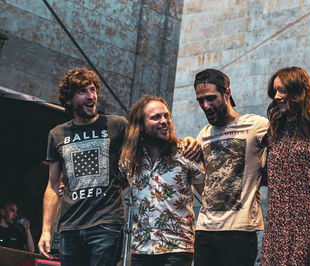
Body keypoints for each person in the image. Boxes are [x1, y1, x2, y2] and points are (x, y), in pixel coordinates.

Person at [38, 67, 127, 265]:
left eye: (93, 89)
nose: (91, 96)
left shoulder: (117, 125)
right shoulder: (57, 134)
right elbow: (53, 186)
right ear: (69, 100)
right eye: (83, 91)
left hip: (106, 225)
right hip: (70, 227)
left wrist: (117, 187)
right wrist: (46, 230)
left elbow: (142, 159)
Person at [193, 68, 268, 266]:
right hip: (204, 230)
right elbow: (200, 179)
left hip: (239, 232)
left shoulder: (255, 125)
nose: (206, 106)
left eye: (211, 98)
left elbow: (287, 144)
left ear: (227, 93)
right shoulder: (203, 134)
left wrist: (263, 177)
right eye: (200, 101)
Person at [119, 95, 205, 266]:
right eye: (156, 117)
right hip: (141, 249)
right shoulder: (129, 160)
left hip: (177, 248)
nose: (164, 121)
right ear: (141, 126)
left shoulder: (186, 153)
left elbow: (207, 197)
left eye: (166, 116)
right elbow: (114, 189)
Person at [260, 67, 310, 265]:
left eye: (282, 90)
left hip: (308, 220)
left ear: (298, 92)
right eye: (275, 91)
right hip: (277, 221)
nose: (277, 97)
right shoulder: (275, 130)